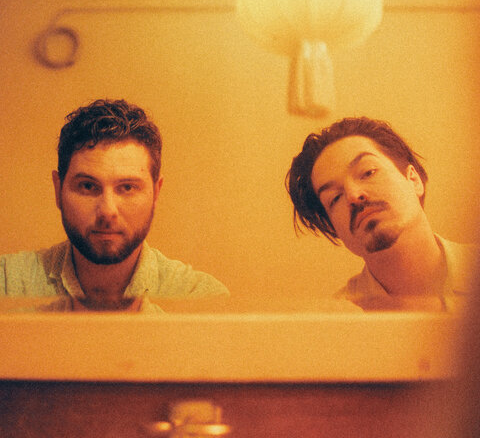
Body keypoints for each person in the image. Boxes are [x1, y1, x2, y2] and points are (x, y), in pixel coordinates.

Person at [0, 99, 229, 312]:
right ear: (58, 189)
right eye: (88, 186)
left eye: (127, 187)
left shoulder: (200, 300)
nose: (107, 211)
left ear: (156, 193)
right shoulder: (8, 284)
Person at [286, 117, 478, 311]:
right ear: (333, 227)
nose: (353, 195)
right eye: (335, 198)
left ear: (414, 180)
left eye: (368, 172)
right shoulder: (336, 321)